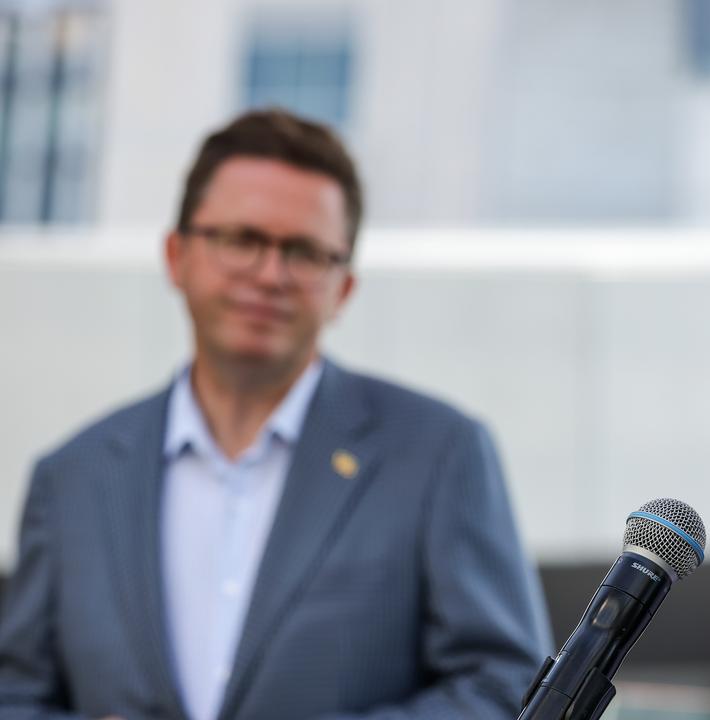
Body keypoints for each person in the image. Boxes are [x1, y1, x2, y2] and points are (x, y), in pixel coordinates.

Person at [0, 109, 551, 719]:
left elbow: (507, 689)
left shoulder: (439, 454)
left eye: (305, 252)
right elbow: (18, 696)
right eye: (241, 240)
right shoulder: (71, 478)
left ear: (343, 288)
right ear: (176, 256)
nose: (270, 275)